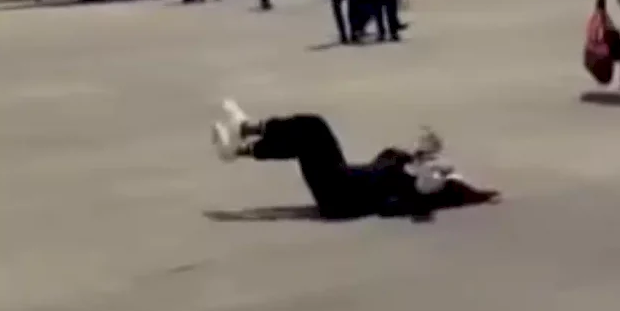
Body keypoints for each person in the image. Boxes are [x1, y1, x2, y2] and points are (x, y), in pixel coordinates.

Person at [210, 101, 501, 220]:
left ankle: (244, 134)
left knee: (313, 129)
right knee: (309, 132)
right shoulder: (404, 173)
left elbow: (415, 197)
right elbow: (395, 165)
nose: (435, 167)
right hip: (339, 182)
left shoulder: (414, 189)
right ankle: (240, 145)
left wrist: (425, 187)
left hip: (339, 196)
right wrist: (416, 154)